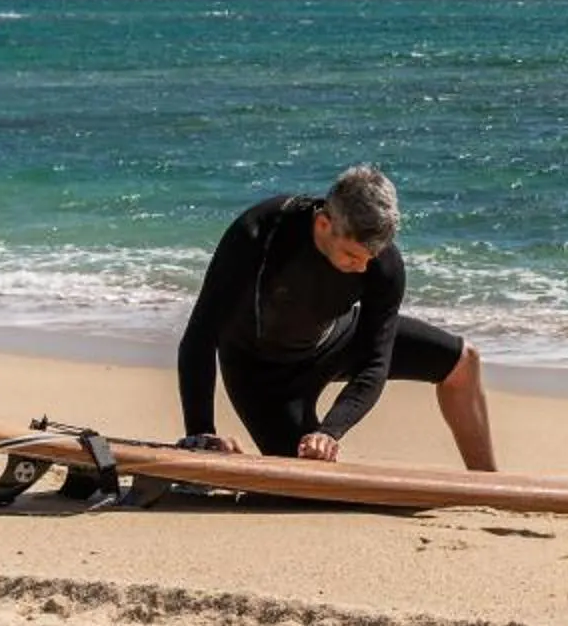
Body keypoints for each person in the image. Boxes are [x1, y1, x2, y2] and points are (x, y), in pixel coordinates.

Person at [175, 164, 497, 468]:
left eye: (371, 257)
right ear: (324, 224)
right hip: (262, 374)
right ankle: (231, 453)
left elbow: (375, 363)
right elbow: (201, 336)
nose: (362, 267)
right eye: (352, 255)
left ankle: (488, 486)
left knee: (462, 362)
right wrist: (201, 430)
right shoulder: (260, 233)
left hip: (334, 340)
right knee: (308, 480)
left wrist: (330, 432)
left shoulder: (381, 262)